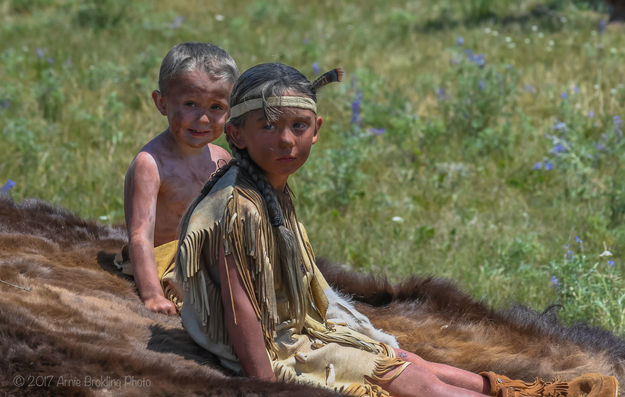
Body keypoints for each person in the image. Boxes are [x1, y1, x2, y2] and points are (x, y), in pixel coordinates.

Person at [175, 63, 619, 397]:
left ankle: (520, 391)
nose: (286, 140)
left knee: (409, 360)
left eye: (298, 126)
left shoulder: (266, 188)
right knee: (411, 382)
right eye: (268, 126)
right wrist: (264, 386)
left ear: (317, 130)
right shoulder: (237, 208)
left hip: (298, 332)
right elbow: (240, 308)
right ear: (236, 134)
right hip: (278, 350)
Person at [121, 42, 238, 315]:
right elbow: (140, 236)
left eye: (216, 107)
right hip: (169, 264)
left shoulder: (222, 159)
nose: (204, 118)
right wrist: (152, 295)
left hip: (209, 260)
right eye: (190, 104)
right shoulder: (152, 164)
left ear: (230, 110)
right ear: (162, 103)